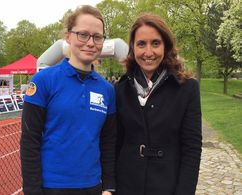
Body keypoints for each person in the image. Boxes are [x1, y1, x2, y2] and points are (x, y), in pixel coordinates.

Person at [20, 5, 116, 195]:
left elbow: (108, 143)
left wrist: (109, 187)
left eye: (97, 37)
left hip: (93, 187)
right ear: (68, 36)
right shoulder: (43, 81)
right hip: (52, 187)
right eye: (83, 34)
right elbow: (30, 141)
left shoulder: (107, 90)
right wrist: (32, 190)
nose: (90, 42)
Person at [115, 13, 202, 195]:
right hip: (126, 186)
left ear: (166, 46)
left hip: (167, 186)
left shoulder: (187, 88)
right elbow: (115, 143)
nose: (148, 52)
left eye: (155, 43)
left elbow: (192, 149)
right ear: (132, 48)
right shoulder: (120, 89)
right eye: (141, 44)